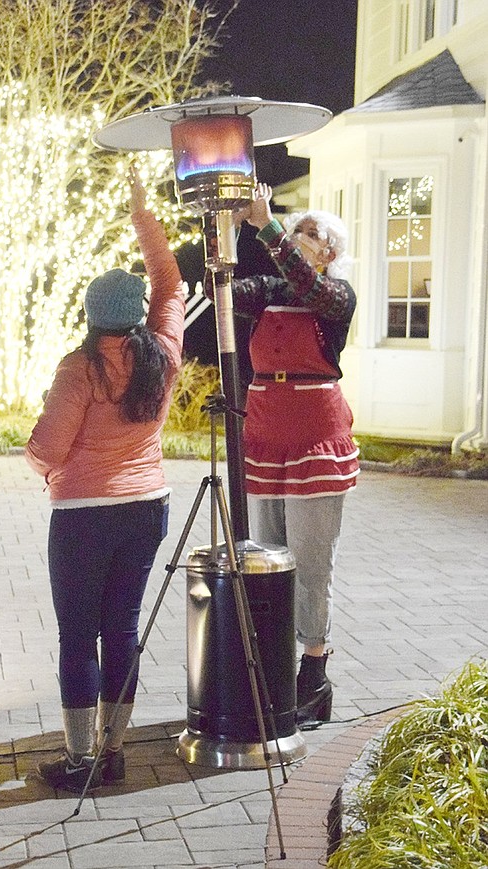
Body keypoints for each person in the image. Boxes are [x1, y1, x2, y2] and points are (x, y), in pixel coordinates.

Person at [25, 165, 185, 793]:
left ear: (91, 316)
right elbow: (170, 287)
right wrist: (144, 216)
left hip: (84, 515)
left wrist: (44, 467)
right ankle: (113, 752)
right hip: (148, 506)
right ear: (139, 317)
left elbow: (47, 446)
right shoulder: (163, 355)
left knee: (77, 635)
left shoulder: (78, 368)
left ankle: (77, 759)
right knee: (121, 628)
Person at [208, 182, 359, 724]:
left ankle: (313, 674)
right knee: (266, 556)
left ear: (330, 252)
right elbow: (219, 286)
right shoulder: (269, 289)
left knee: (309, 561)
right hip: (265, 433)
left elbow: (307, 285)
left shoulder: (335, 298)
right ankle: (271, 668)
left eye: (309, 233)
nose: (298, 238)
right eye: (297, 231)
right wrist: (225, 228)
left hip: (315, 435)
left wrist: (269, 227)